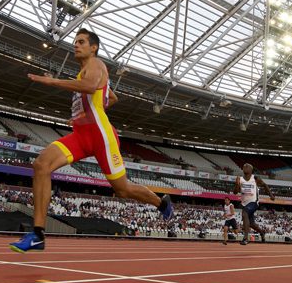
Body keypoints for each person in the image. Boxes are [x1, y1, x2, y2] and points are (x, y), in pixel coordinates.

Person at [10, 28, 173, 253]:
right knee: (41, 165)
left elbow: (89, 87)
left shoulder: (96, 64)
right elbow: (111, 97)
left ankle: (162, 202)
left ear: (93, 47)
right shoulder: (83, 72)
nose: (76, 45)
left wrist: (52, 82)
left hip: (101, 137)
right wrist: (82, 114)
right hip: (81, 136)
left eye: (81, 41)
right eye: (75, 41)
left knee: (123, 190)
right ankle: (38, 235)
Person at [233, 163, 274, 245]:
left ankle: (245, 238)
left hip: (254, 202)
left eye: (247, 166)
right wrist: (237, 184)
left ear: (251, 170)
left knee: (244, 213)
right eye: (244, 166)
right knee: (251, 224)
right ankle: (262, 232)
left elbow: (265, 185)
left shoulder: (255, 178)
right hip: (245, 203)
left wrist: (270, 195)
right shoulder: (240, 179)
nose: (245, 167)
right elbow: (235, 192)